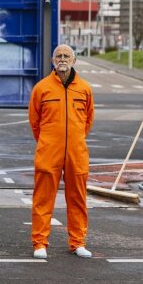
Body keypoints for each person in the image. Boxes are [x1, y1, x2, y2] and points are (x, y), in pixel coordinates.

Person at [29, 44, 94, 259]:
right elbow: (35, 122)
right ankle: (40, 242)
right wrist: (49, 141)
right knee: (43, 198)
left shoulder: (84, 89)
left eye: (67, 56)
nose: (62, 59)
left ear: (74, 60)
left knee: (78, 199)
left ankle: (78, 242)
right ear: (52, 61)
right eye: (58, 56)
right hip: (49, 151)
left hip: (77, 152)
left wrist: (74, 140)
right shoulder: (41, 88)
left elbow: (88, 121)